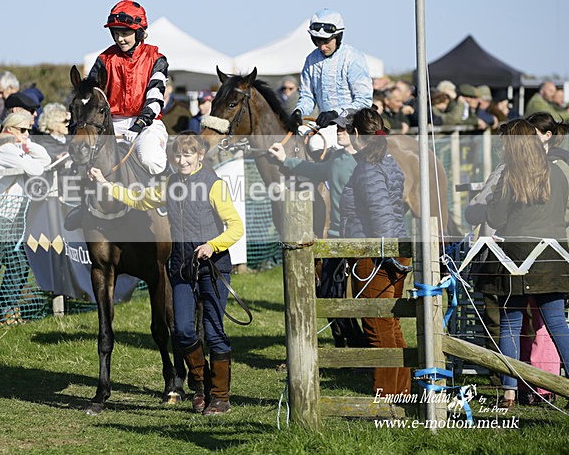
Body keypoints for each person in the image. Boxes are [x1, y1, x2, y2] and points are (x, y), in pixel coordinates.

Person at [88, 133, 244, 415]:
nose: (182, 161)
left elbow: (235, 227)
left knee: (213, 332)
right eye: (178, 156)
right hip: (182, 268)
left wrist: (212, 245)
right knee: (183, 331)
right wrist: (105, 184)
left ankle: (219, 397)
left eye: (188, 155)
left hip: (211, 267)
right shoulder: (170, 184)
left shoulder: (214, 185)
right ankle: (199, 389)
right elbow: (138, 200)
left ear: (199, 156)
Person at [482, 118, 569, 408]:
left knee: (510, 323)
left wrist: (489, 202)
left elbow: (495, 219)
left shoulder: (510, 176)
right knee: (558, 324)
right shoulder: (557, 174)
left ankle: (509, 393)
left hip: (515, 257)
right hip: (552, 256)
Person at [268, 115, 367, 348]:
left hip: (360, 235)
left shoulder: (367, 161)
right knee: (327, 291)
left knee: (363, 298)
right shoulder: (339, 158)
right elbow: (315, 170)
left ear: (356, 133)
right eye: (339, 128)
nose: (339, 132)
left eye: (344, 129)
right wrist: (284, 160)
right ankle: (349, 344)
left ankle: (366, 349)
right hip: (336, 236)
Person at [339, 108, 410, 395]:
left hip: (376, 255)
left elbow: (381, 217)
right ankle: (402, 390)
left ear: (357, 134)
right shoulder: (386, 161)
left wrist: (388, 258)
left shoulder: (368, 168)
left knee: (378, 327)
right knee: (390, 325)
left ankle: (388, 393)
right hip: (388, 252)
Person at [0, 112, 51, 325]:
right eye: (23, 130)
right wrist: (25, 149)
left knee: (19, 263)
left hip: (12, 217)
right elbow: (37, 168)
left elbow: (44, 159)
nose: (27, 134)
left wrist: (28, 145)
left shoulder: (15, 147)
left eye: (29, 130)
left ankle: (6, 307)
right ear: (9, 130)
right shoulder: (5, 148)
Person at [87, 0, 169, 174]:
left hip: (147, 124)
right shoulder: (104, 59)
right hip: (111, 123)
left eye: (125, 33)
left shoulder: (157, 59)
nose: (120, 39)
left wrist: (139, 124)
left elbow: (155, 98)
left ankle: (168, 190)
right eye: (115, 33)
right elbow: (91, 94)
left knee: (151, 160)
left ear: (139, 32)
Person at [291, 8, 373, 135]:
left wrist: (335, 113)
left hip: (351, 125)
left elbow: (363, 101)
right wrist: (299, 111)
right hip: (325, 124)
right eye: (318, 41)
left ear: (338, 36)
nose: (322, 47)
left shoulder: (353, 58)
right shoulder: (311, 59)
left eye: (326, 41)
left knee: (316, 143)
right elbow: (307, 96)